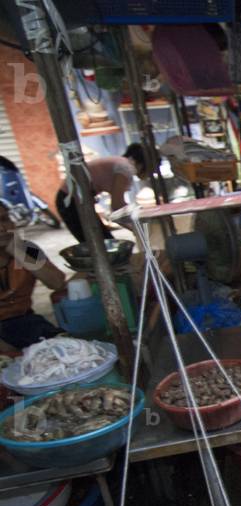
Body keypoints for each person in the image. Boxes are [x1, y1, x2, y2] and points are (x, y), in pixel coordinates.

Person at [0, 201, 65, 352]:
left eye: (4, 220)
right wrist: (10, 353)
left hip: (26, 322)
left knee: (65, 349)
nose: (2, 228)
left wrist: (17, 250)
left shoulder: (27, 248)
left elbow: (57, 283)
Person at [56, 143, 149, 243]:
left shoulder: (121, 163)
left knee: (102, 242)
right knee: (100, 243)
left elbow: (118, 206)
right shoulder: (125, 168)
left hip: (75, 200)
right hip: (70, 202)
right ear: (144, 163)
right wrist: (136, 228)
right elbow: (117, 206)